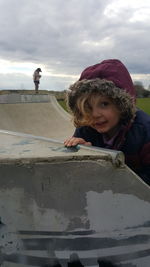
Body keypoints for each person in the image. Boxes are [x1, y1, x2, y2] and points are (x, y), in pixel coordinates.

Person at [64, 59, 150, 185]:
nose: (95, 114)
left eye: (104, 104)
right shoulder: (86, 128)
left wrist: (111, 175)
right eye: (88, 106)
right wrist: (85, 153)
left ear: (121, 105)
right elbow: (77, 174)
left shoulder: (144, 130)